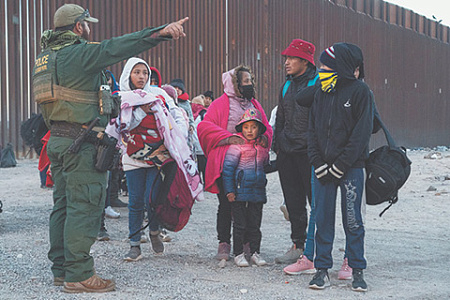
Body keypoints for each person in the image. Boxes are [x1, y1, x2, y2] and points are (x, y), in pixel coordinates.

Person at [33, 3, 188, 293]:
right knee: (85, 204)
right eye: (86, 24)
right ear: (79, 27)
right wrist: (160, 33)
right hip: (81, 142)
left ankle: (62, 269)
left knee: (63, 206)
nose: (89, 28)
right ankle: (78, 274)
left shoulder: (45, 59)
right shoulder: (77, 53)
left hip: (59, 139)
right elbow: (115, 47)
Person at [307, 43, 373, 292]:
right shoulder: (321, 91)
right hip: (322, 169)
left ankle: (357, 269)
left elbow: (361, 134)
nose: (322, 70)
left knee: (353, 220)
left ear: (343, 67)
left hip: (351, 168)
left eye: (327, 66)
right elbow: (311, 130)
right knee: (322, 218)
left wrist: (341, 165)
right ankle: (321, 270)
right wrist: (318, 162)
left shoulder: (361, 92)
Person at [197, 65, 273, 261]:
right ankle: (224, 242)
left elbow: (266, 127)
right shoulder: (221, 104)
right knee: (226, 203)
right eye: (246, 81)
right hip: (227, 162)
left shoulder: (253, 103)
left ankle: (247, 243)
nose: (250, 84)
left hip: (249, 164)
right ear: (235, 83)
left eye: (251, 81)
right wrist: (229, 137)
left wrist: (265, 138)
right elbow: (205, 127)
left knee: (249, 205)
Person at [115, 57, 188, 261]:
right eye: (136, 72)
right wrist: (140, 111)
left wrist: (177, 139)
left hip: (158, 155)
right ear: (128, 73)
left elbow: (177, 115)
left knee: (152, 199)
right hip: (133, 155)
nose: (141, 76)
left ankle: (154, 231)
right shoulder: (121, 97)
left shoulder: (158, 94)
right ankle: (134, 245)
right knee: (135, 200)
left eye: (144, 73)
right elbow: (121, 125)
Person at [273, 39, 319, 264]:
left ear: (305, 61)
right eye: (286, 58)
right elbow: (280, 118)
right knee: (293, 202)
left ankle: (316, 248)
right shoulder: (286, 85)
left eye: (291, 58)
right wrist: (278, 146)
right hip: (288, 154)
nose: (287, 62)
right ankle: (297, 245)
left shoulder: (319, 83)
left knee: (316, 202)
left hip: (309, 154)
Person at [222, 108, 270, 267]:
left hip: (257, 191)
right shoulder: (236, 146)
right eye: (246, 127)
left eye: (254, 127)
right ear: (241, 128)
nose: (250, 130)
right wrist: (229, 190)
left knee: (255, 224)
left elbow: (265, 165)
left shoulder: (262, 148)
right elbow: (228, 169)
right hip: (239, 191)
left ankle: (255, 252)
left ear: (259, 129)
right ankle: (238, 253)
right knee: (239, 224)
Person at [190, 95, 208, 182]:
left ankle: (206, 183)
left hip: (202, 146)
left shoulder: (203, 114)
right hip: (194, 146)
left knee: (204, 167)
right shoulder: (192, 115)